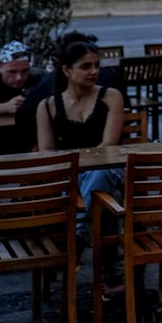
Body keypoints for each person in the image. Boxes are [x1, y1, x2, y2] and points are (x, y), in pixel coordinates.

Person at [36, 34, 125, 245]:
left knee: (101, 172)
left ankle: (78, 234)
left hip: (110, 170)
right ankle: (110, 267)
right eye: (86, 66)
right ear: (67, 70)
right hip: (70, 177)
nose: (94, 71)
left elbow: (107, 147)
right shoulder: (48, 106)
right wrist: (74, 173)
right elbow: (46, 153)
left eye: (96, 65)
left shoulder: (111, 97)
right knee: (103, 196)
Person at [0, 41, 50, 154]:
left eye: (25, 71)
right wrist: (5, 107)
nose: (19, 77)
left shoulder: (39, 77)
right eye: (12, 72)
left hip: (31, 144)